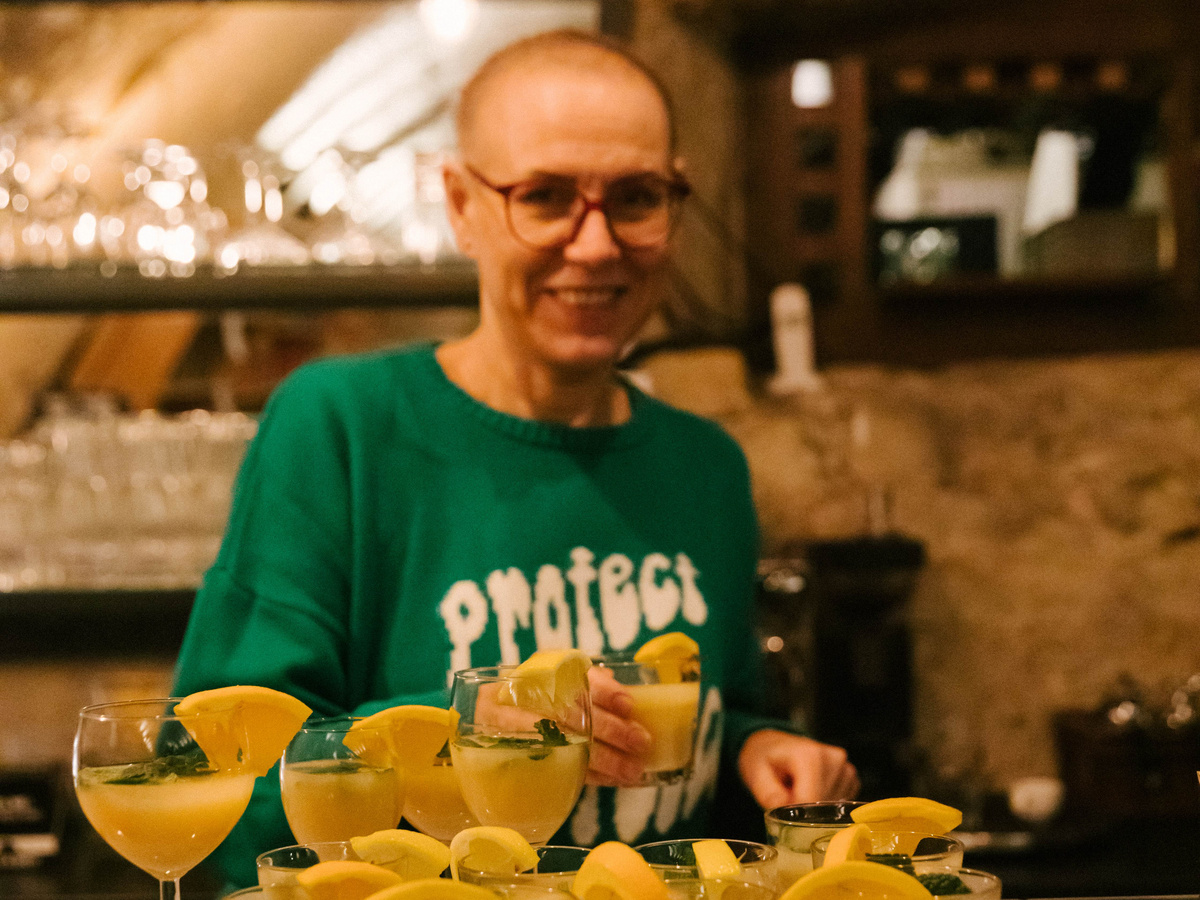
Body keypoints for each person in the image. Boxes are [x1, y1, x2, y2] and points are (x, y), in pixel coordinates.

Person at [172, 28, 859, 887]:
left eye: (636, 197)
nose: (596, 244)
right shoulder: (338, 425)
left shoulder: (707, 467)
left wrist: (758, 748)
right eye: (545, 197)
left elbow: (709, 740)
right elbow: (216, 786)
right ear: (461, 205)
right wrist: (458, 732)